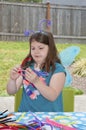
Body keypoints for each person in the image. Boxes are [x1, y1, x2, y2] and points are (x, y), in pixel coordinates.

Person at [7, 31, 66, 112]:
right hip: (26, 116)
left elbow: (53, 96)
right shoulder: (27, 66)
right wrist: (12, 79)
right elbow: (11, 91)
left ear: (50, 49)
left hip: (49, 118)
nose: (36, 51)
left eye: (41, 48)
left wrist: (36, 81)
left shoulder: (58, 70)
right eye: (33, 48)